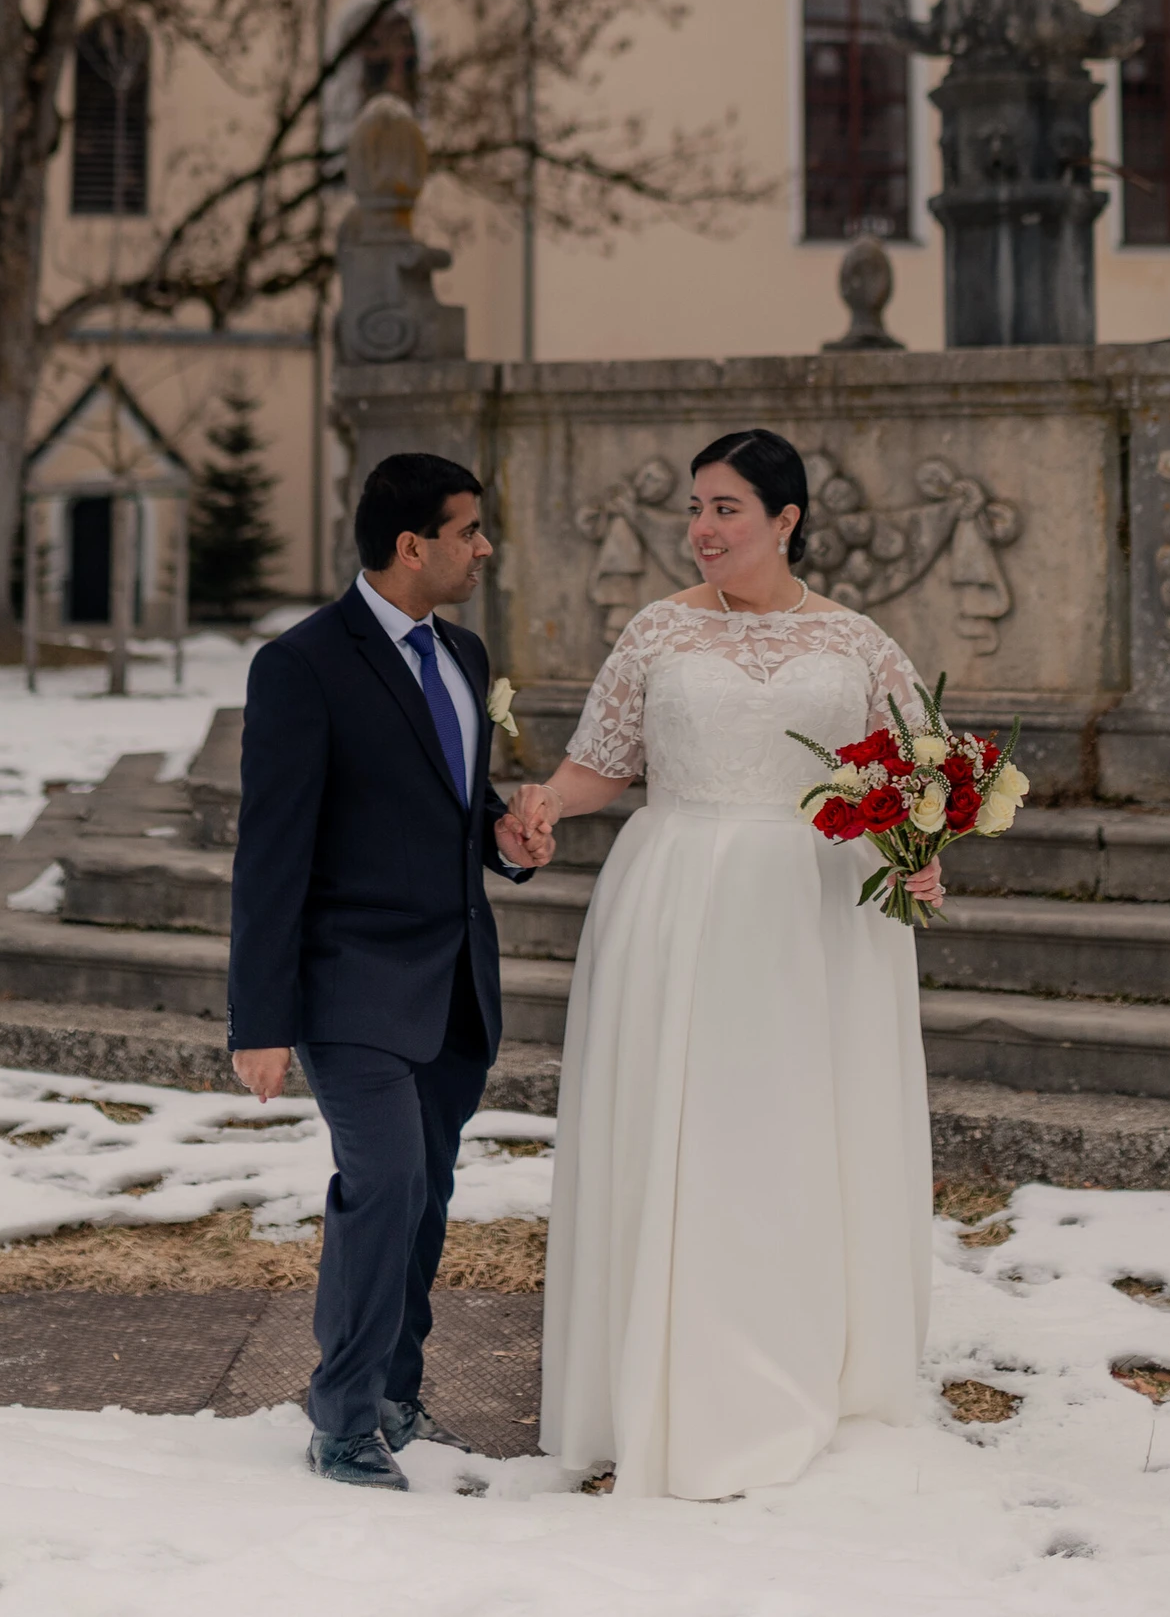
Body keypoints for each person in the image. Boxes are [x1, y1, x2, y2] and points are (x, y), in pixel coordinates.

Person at [509, 428, 942, 1501]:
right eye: (695, 509)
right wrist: (542, 806)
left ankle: (799, 1363)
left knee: (791, 1130)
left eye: (726, 509)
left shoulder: (855, 642)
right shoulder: (655, 633)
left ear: (785, 520)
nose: (701, 530)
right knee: (678, 1126)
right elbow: (599, 762)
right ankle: (665, 1377)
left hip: (813, 910)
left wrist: (920, 850)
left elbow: (920, 769)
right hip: (677, 897)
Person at [227, 452, 552, 1490]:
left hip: (454, 983)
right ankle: (342, 1416)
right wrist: (258, 1020)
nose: (483, 549)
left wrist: (504, 840)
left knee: (427, 1194)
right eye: (469, 531)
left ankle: (396, 1399)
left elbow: (452, 807)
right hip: (350, 984)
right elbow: (270, 853)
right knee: (386, 1185)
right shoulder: (301, 666)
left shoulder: (461, 652)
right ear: (411, 546)